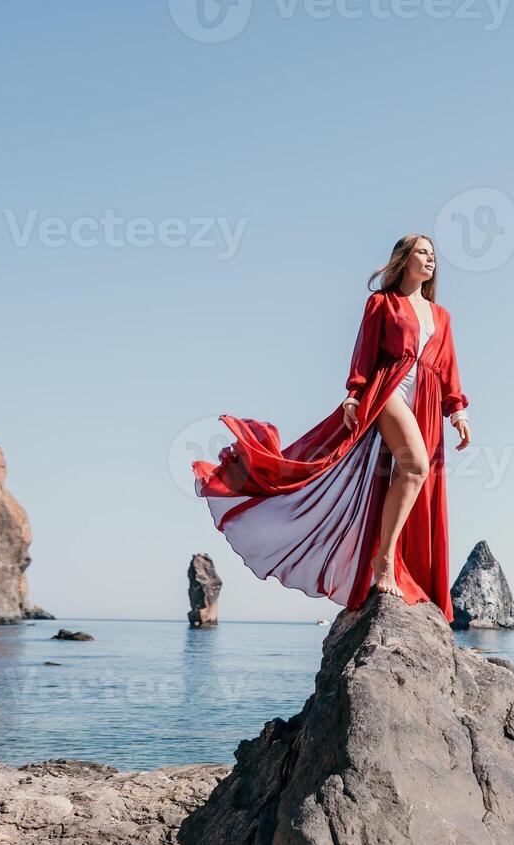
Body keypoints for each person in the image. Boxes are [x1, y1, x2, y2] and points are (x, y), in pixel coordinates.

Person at [192, 234, 471, 621]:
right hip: (386, 389)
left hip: (426, 399)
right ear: (404, 260)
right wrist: (354, 395)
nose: (431, 259)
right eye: (422, 252)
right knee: (416, 467)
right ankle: (384, 559)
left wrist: (457, 411)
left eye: (433, 255)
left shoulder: (441, 315)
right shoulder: (381, 303)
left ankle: (395, 560)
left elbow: (448, 367)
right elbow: (365, 352)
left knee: (404, 480)